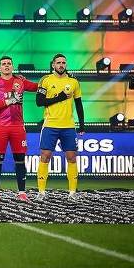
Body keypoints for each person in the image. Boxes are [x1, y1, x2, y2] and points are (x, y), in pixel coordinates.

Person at [0, 55, 38, 202]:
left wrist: (52, 79)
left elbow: (37, 87)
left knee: (20, 160)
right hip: (0, 127)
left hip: (18, 127)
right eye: (4, 64)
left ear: (12, 67)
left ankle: (22, 193)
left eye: (9, 63)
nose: (6, 66)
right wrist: (9, 100)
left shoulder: (20, 81)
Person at [36, 53, 85, 201]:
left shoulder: (73, 82)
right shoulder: (45, 80)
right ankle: (41, 192)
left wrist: (82, 124)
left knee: (71, 158)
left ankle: (72, 193)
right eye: (58, 62)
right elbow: (39, 101)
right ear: (53, 65)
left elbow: (79, 104)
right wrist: (60, 97)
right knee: (45, 156)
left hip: (68, 126)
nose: (61, 65)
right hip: (50, 124)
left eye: (64, 62)